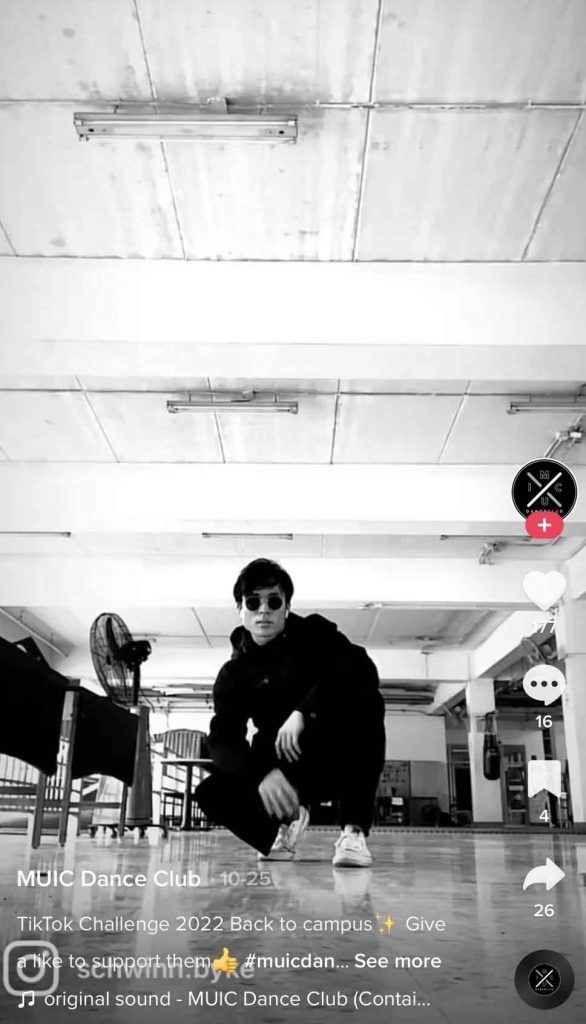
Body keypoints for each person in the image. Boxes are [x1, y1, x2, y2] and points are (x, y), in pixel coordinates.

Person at [195, 558, 385, 867]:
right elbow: (223, 738)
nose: (264, 610)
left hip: (333, 753)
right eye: (253, 602)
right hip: (282, 765)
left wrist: (303, 711)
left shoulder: (316, 634)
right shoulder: (234, 674)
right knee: (210, 792)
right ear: (240, 609)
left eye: (274, 601)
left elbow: (362, 669)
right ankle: (282, 826)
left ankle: (353, 830)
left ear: (286, 606)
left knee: (368, 702)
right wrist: (260, 775)